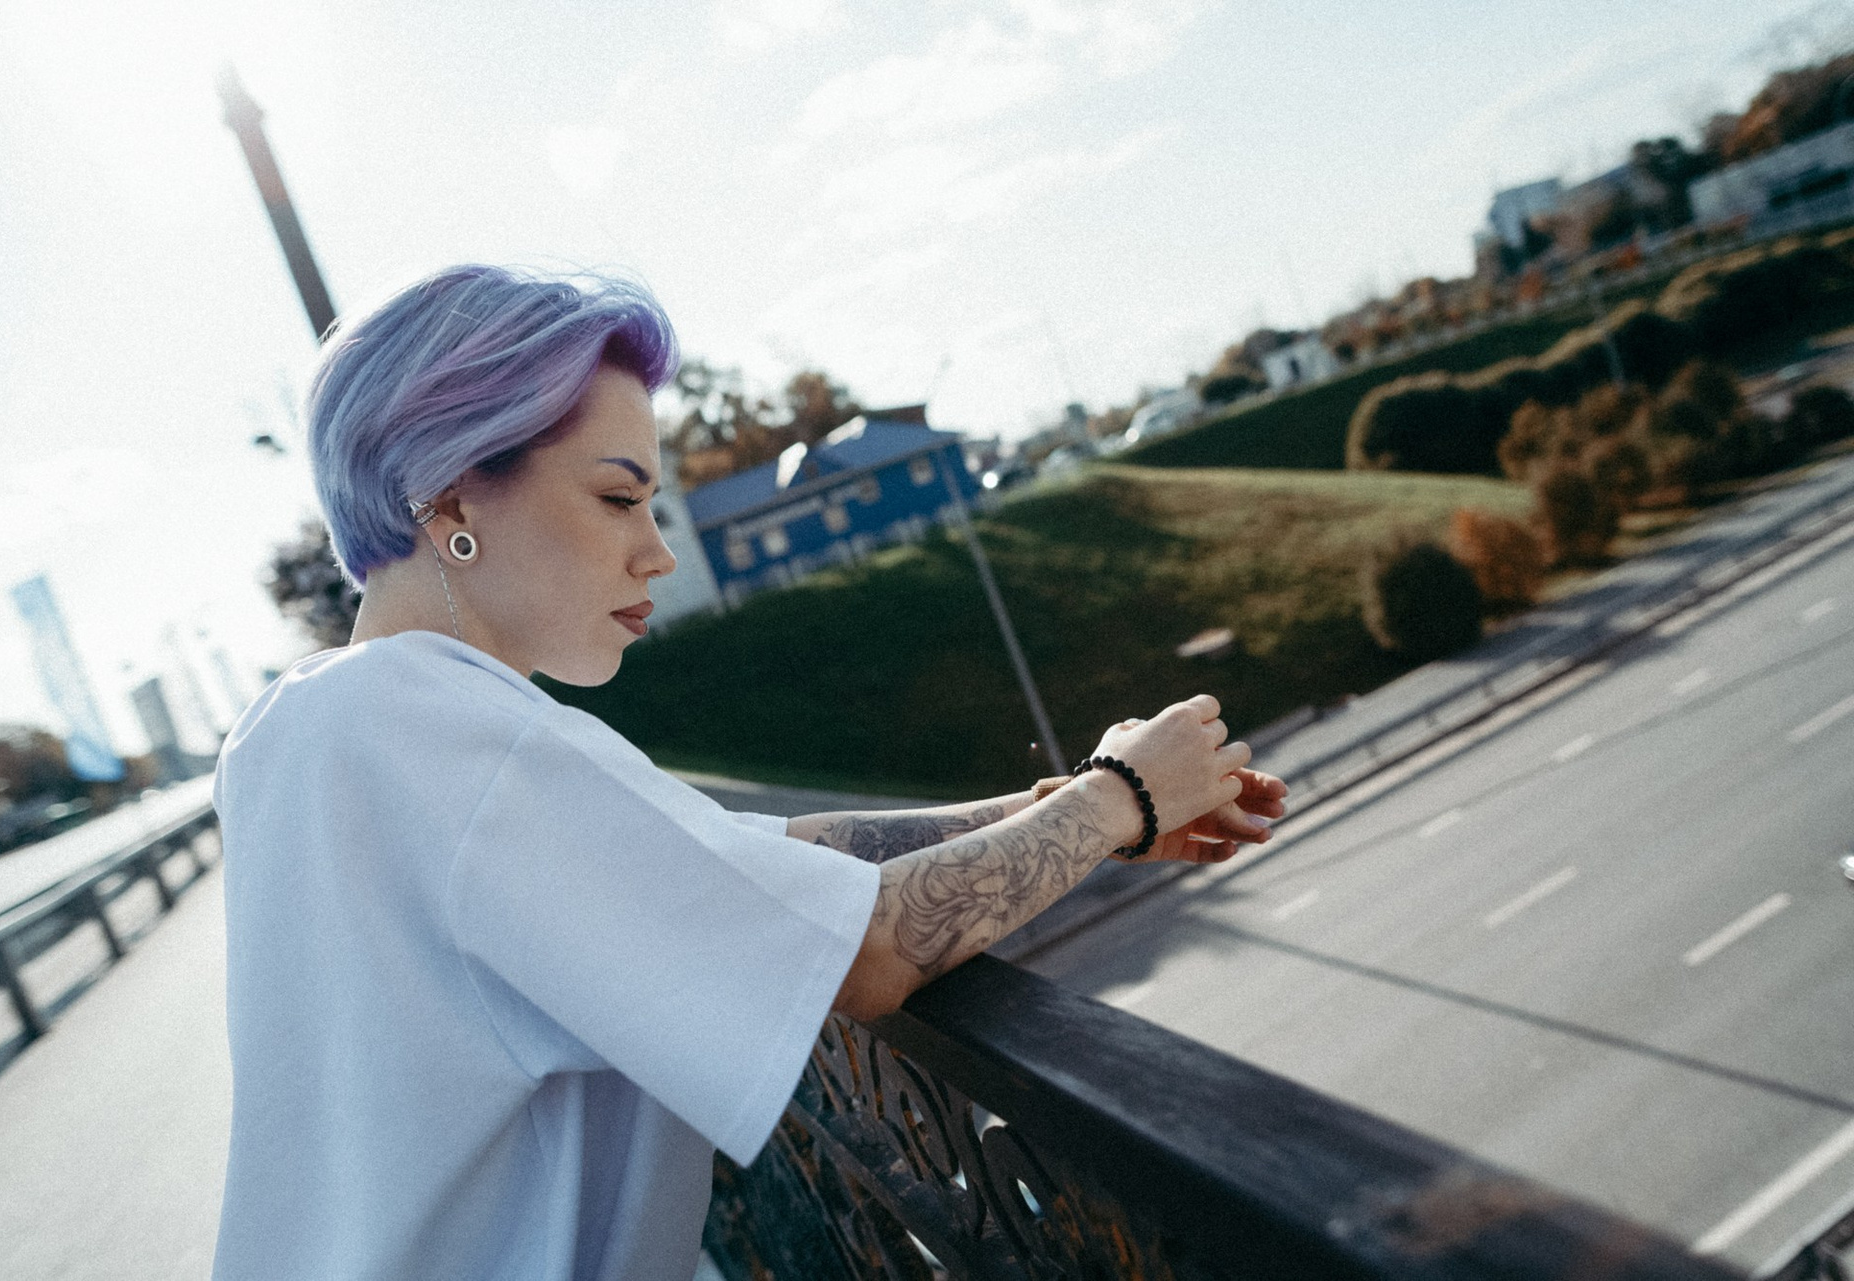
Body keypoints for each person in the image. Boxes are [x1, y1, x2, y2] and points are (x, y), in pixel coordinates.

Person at [210, 264, 1288, 1281]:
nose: (658, 550)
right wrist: (1118, 799)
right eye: (618, 498)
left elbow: (755, 866)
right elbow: (860, 954)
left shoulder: (302, 732)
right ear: (451, 500)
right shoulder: (444, 735)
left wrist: (1061, 802)